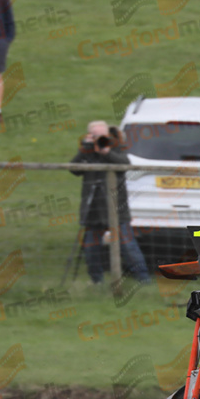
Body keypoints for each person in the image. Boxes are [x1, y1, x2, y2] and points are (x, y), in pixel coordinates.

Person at [70, 121, 150, 285]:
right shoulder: (88, 152)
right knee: (91, 248)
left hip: (116, 209)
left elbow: (125, 164)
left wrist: (106, 151)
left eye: (102, 136)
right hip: (93, 209)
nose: (99, 139)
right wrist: (84, 150)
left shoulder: (116, 148)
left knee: (128, 247)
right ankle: (96, 280)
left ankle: (143, 279)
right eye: (95, 136)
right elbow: (73, 168)